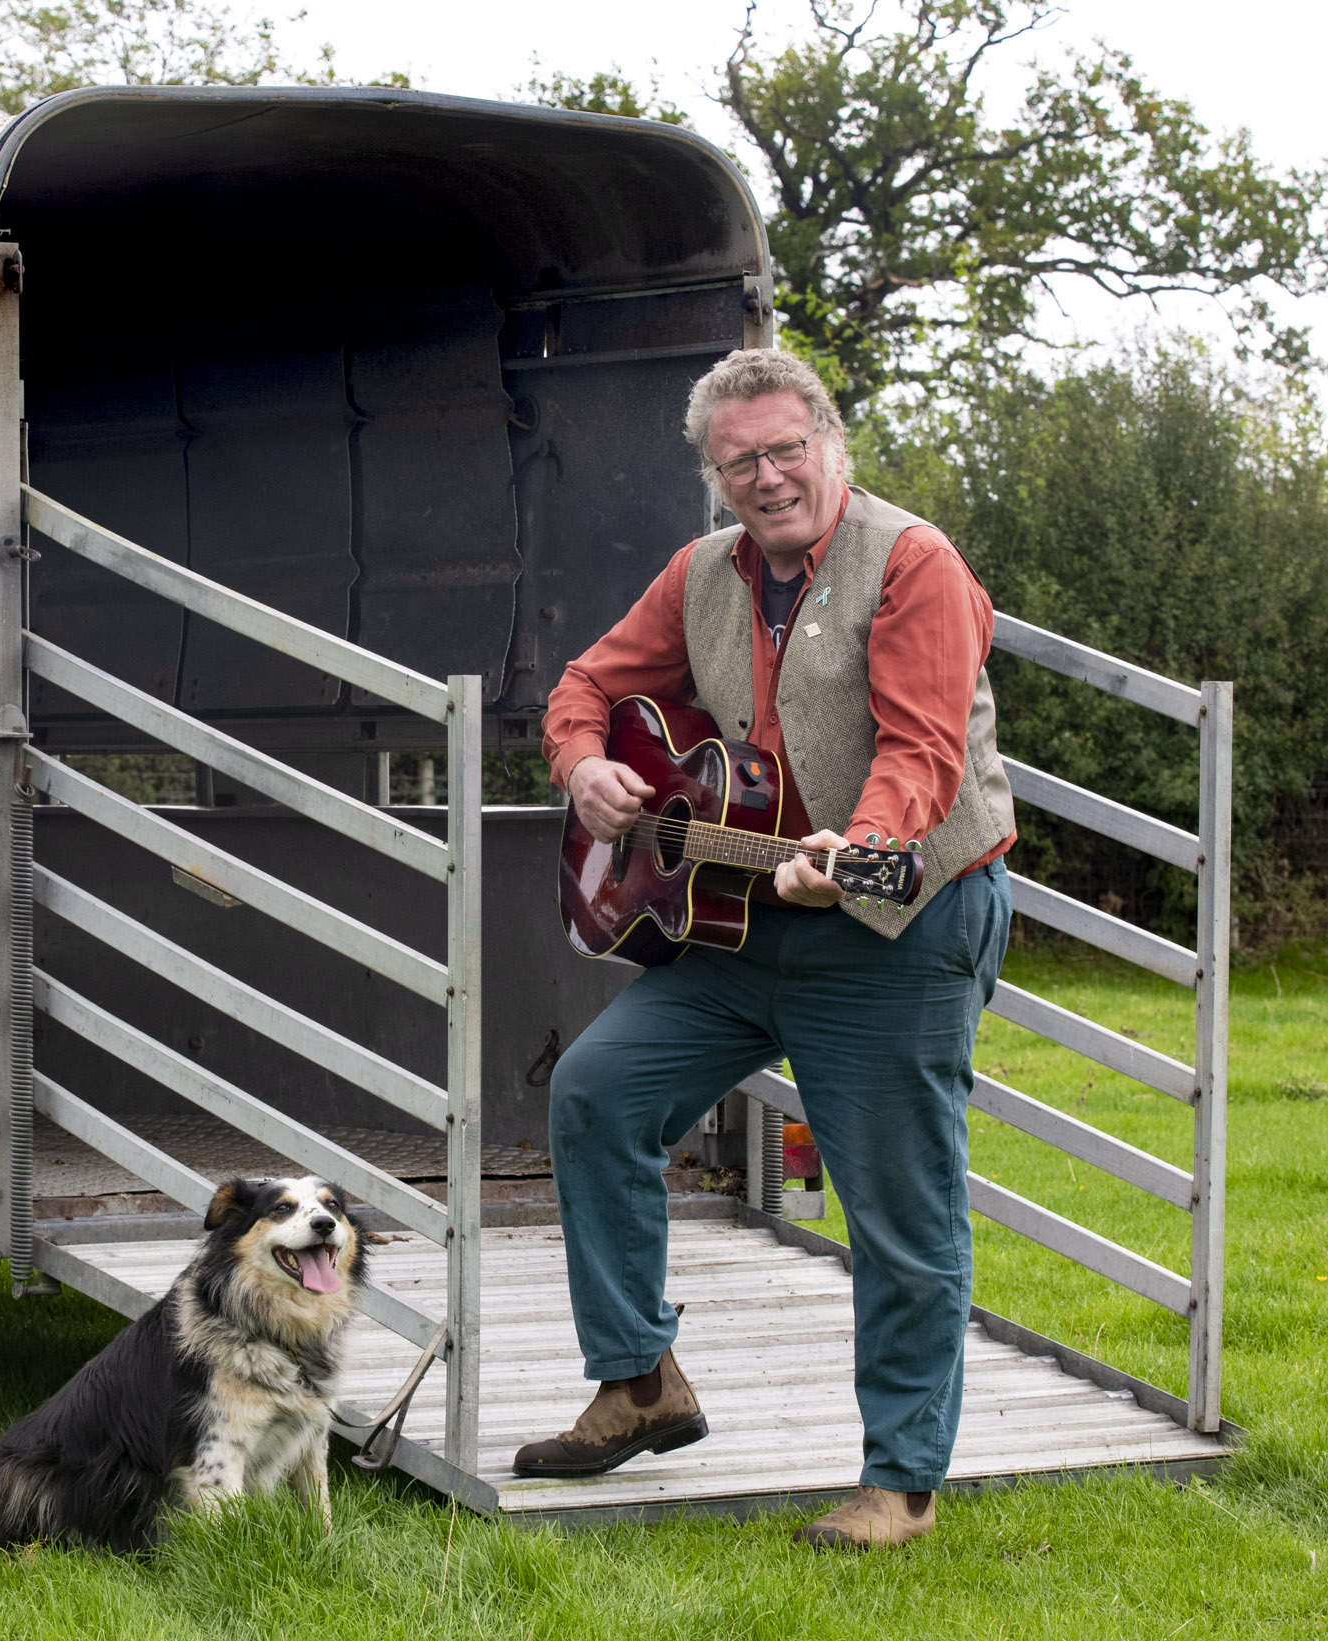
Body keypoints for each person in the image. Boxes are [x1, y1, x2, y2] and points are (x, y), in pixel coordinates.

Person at [520, 348, 1017, 1550]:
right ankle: (638, 1384)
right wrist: (582, 763)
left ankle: (900, 1482)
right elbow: (587, 682)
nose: (767, 474)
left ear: (831, 445)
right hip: (740, 926)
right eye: (738, 459)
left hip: (894, 921)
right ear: (714, 474)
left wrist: (858, 844)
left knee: (896, 1207)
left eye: (786, 448)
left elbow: (920, 753)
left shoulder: (912, 564)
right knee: (595, 1092)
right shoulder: (700, 573)